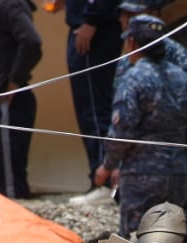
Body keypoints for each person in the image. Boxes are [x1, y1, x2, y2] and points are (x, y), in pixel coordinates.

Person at [94, 16, 187, 237]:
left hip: (141, 174)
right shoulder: (182, 77)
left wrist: (108, 165)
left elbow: (122, 130)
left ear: (132, 42)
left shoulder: (134, 78)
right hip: (178, 173)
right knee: (174, 239)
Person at [0, 0, 41, 199]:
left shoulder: (10, 4)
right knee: (0, 177)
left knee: (10, 185)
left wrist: (14, 80)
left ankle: (18, 225)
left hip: (7, 103)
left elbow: (32, 42)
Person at [59, 0, 122, 202]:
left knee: (94, 108)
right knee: (90, 107)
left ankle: (103, 180)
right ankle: (101, 177)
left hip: (94, 28)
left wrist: (90, 19)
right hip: (88, 23)